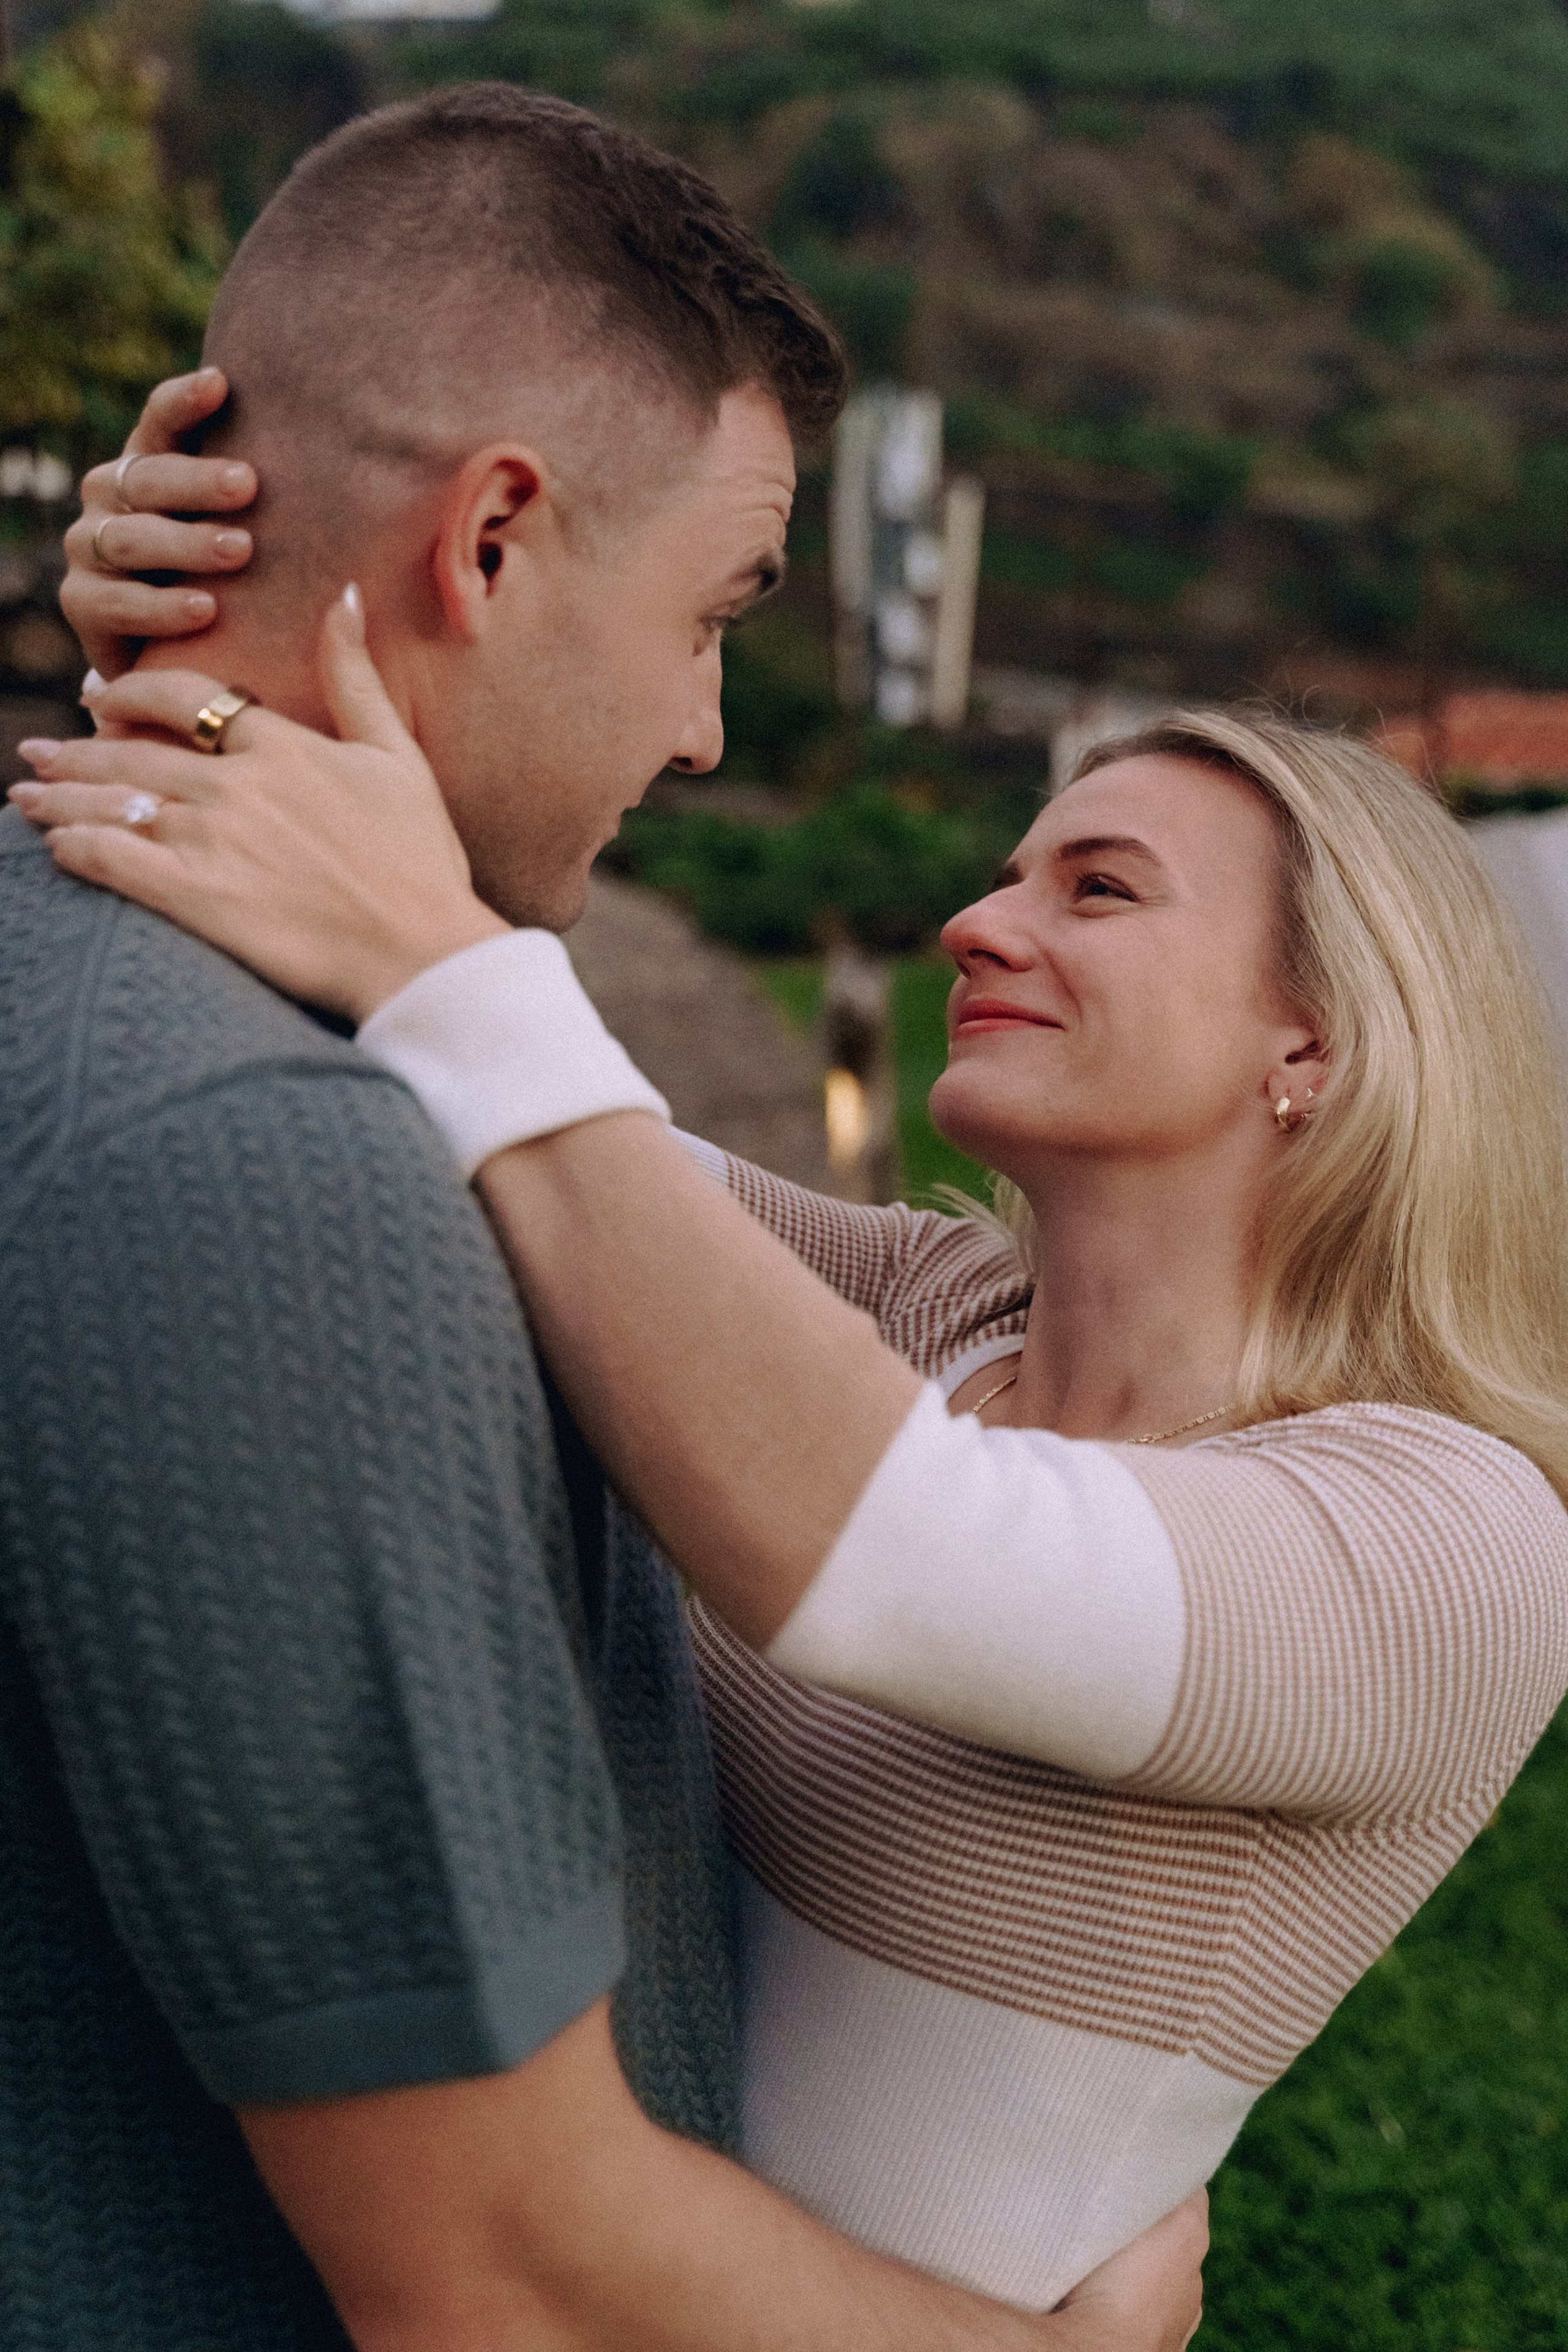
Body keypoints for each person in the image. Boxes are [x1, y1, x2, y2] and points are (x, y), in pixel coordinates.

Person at [39, 429, 1568, 2305]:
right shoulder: (937, 1317)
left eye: (1095, 890)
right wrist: (221, 659)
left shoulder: (1458, 1537)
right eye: (1010, 873)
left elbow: (887, 1543)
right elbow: (491, 1102)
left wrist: (434, 942)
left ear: (1317, 1043)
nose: (977, 922)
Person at [0, 87, 1207, 2352]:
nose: (709, 732)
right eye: (716, 613)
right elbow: (507, 2277)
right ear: (491, 543)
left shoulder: (210, 1024)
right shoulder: (270, 1168)